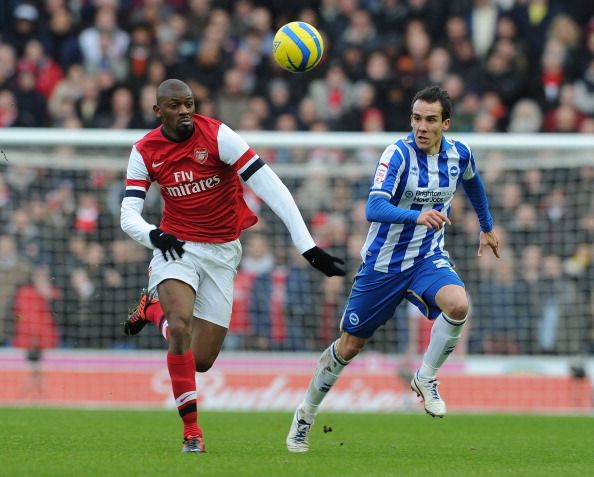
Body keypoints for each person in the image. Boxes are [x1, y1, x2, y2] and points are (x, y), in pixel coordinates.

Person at [119, 79, 345, 454]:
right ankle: (192, 432)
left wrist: (306, 246)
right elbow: (129, 212)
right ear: (159, 111)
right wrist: (154, 237)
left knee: (202, 360)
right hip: (176, 248)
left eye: (189, 103)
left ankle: (151, 309)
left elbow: (271, 186)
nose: (185, 111)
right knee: (180, 328)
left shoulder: (219, 136)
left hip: (223, 252)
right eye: (175, 105)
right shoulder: (144, 151)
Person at [286, 85, 500, 453]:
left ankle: (426, 378)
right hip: (382, 266)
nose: (422, 126)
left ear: (445, 123)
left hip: (426, 259)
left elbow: (474, 183)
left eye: (431, 120)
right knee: (349, 346)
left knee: (459, 305)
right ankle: (304, 416)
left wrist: (486, 225)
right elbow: (373, 208)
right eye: (417, 118)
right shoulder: (397, 155)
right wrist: (418, 216)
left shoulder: (459, 154)